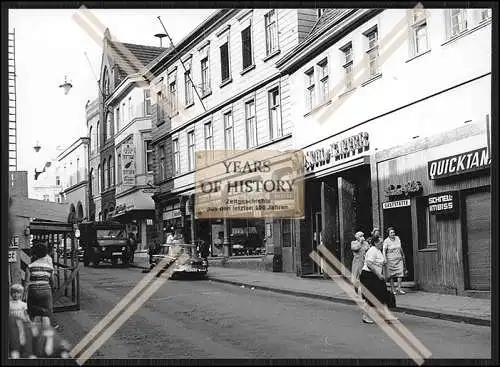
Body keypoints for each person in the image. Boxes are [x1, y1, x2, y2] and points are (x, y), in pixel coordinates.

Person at [359, 235, 397, 324]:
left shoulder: (378, 251)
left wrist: (385, 274)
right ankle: (365, 316)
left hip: (375, 276)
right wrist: (378, 274)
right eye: (380, 242)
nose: (382, 244)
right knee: (371, 297)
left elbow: (381, 264)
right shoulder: (372, 250)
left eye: (382, 242)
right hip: (369, 276)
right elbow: (369, 264)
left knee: (383, 295)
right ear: (375, 243)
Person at [25, 241, 57, 330]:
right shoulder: (49, 268)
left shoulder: (30, 266)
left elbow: (27, 282)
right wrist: (52, 289)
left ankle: (32, 328)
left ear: (35, 253)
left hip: (33, 291)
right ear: (45, 252)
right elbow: (52, 282)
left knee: (32, 310)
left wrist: (24, 295)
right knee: (48, 310)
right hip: (46, 291)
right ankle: (51, 327)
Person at [383, 227, 407, 295]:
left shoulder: (397, 238)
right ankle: (393, 289)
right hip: (390, 260)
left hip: (399, 258)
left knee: (400, 274)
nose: (393, 234)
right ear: (388, 234)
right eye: (391, 233)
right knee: (391, 275)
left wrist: (403, 255)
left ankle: (399, 288)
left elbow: (400, 247)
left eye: (393, 232)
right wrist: (384, 258)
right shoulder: (386, 241)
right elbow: (384, 251)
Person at [351, 231, 370, 298]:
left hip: (364, 262)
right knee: (356, 278)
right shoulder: (354, 243)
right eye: (360, 236)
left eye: (362, 236)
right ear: (357, 237)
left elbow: (369, 250)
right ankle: (356, 293)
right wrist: (360, 243)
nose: (362, 237)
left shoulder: (366, 243)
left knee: (364, 278)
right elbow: (355, 248)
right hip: (357, 262)